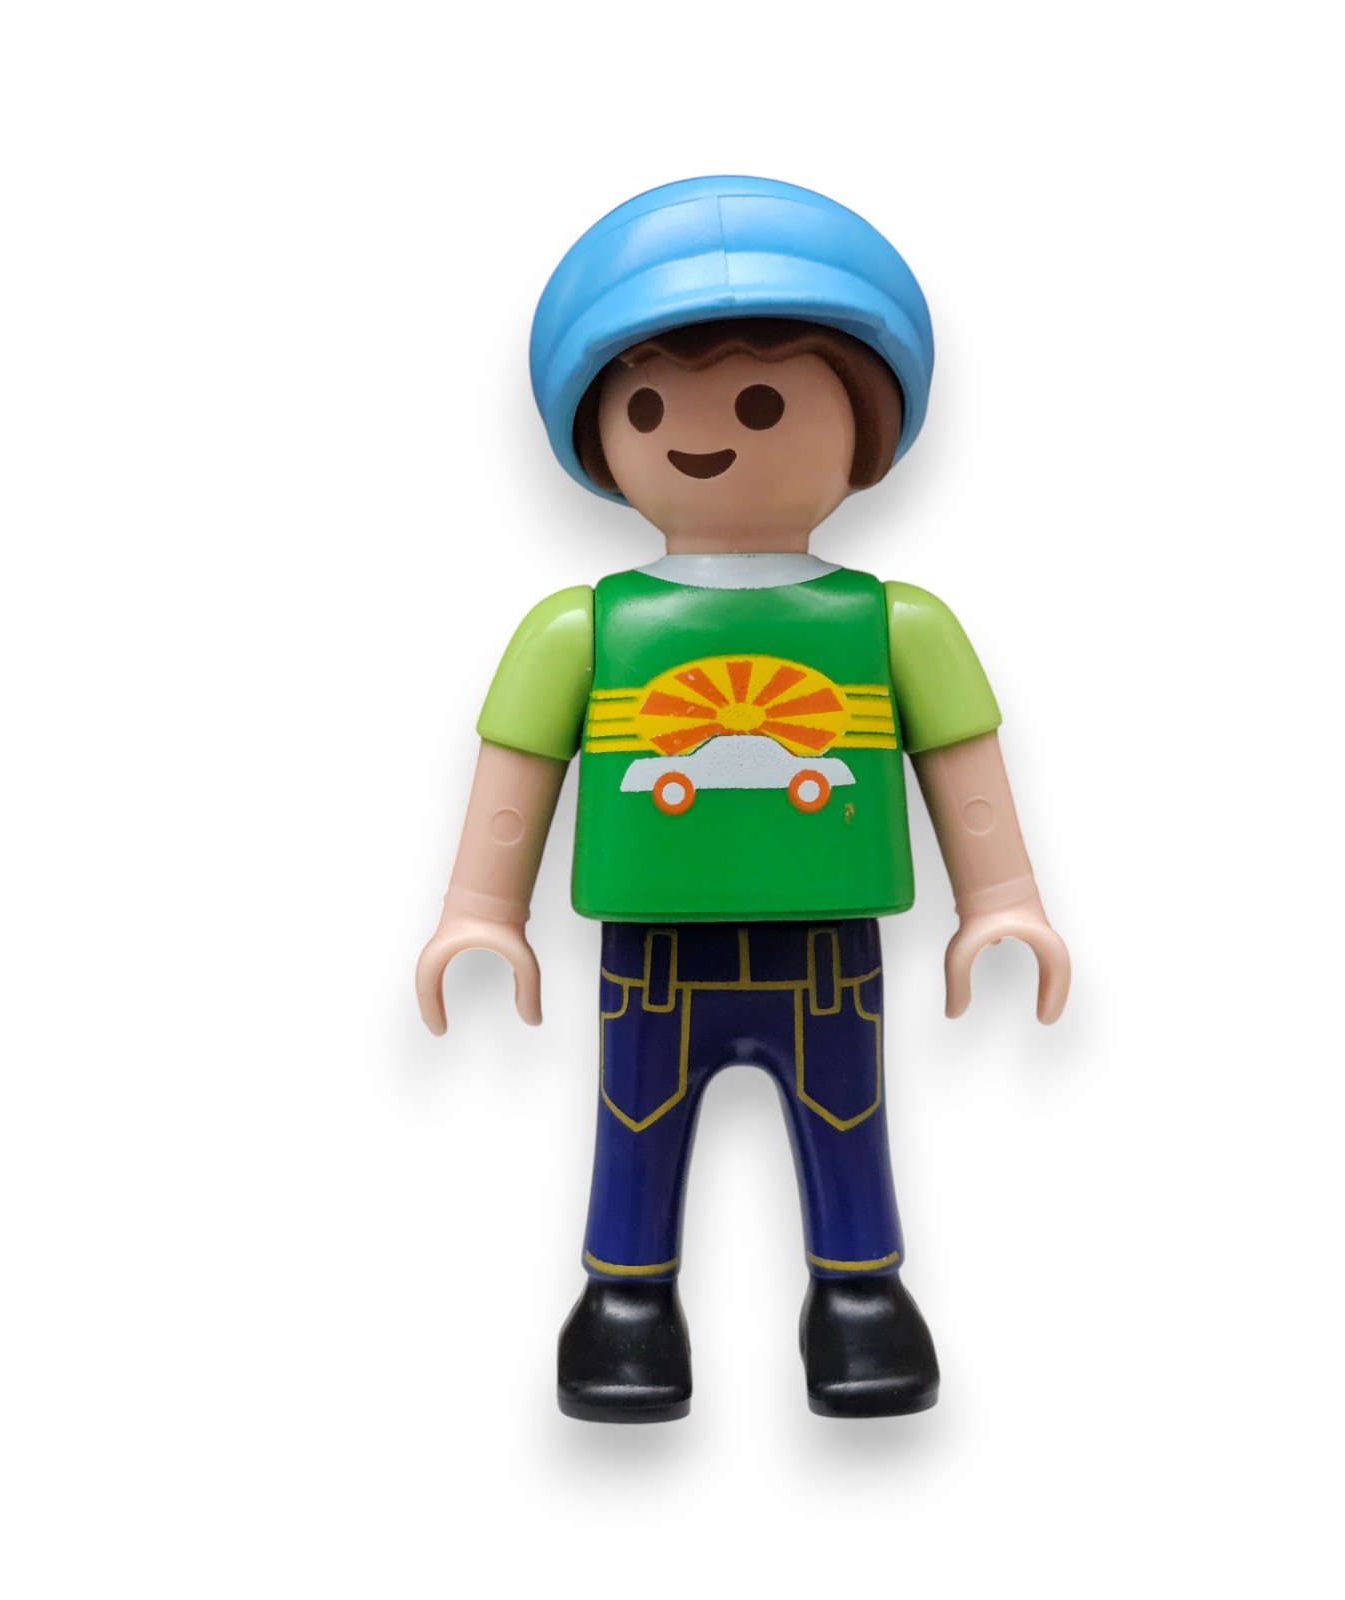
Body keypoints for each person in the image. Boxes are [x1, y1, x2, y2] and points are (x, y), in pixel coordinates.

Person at [416, 176, 1070, 1422]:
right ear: (600, 432)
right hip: (651, 950)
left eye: (763, 402)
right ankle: (625, 1303)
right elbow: (517, 778)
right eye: (651, 403)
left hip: (826, 945)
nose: (702, 437)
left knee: (846, 1114)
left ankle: (860, 1293)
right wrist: (479, 912)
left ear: (862, 423)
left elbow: (963, 770)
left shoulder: (895, 623)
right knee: (635, 1117)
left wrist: (1002, 900)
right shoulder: (580, 630)